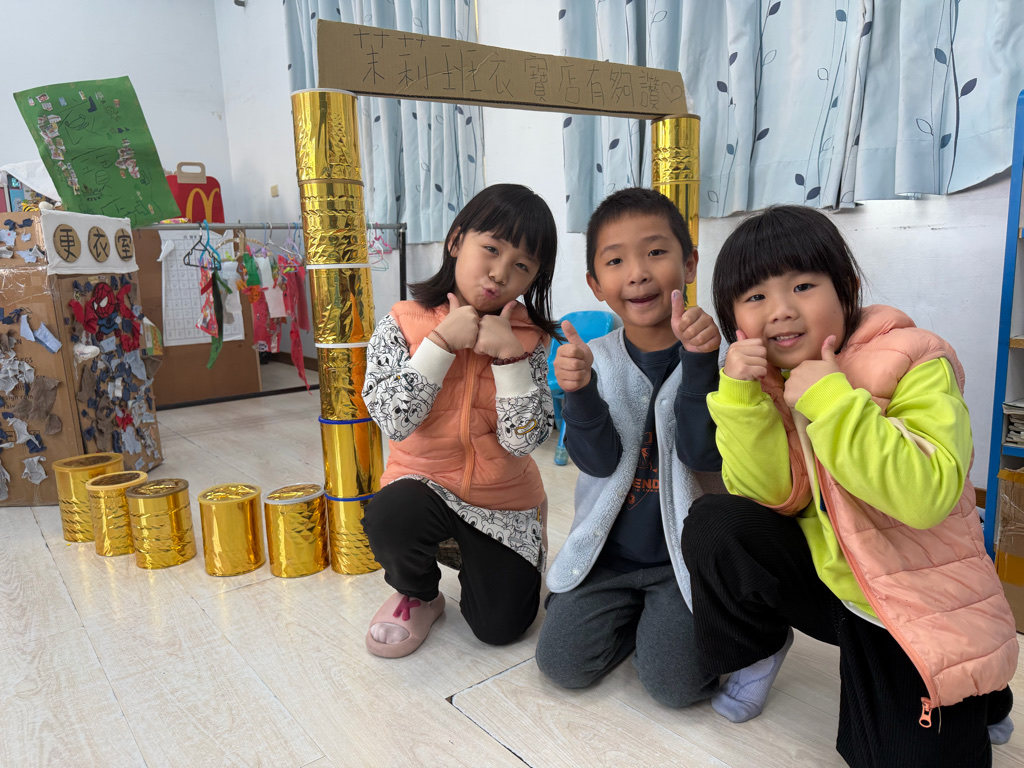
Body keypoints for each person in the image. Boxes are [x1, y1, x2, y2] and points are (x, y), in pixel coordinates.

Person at [682, 205, 1018, 766]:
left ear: (846, 288)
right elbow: (768, 497)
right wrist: (740, 398)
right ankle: (760, 649)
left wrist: (834, 401)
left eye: (803, 286)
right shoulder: (769, 379)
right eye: (756, 296)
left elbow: (927, 497)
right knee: (716, 523)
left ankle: (981, 695)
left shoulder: (915, 357)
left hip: (910, 599)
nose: (781, 310)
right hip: (834, 578)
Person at [536, 187, 787, 715]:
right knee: (561, 665)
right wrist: (579, 393)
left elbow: (702, 455)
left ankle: (732, 628)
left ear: (689, 263)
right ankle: (637, 619)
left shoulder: (723, 359)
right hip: (608, 556)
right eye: (615, 261)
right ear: (595, 283)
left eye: (655, 252)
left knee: (676, 687)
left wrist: (699, 363)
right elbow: (598, 463)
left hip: (683, 561)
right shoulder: (594, 358)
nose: (637, 274)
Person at [361, 183, 558, 658]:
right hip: (422, 487)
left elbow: (523, 442)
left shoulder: (531, 339)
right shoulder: (401, 321)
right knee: (389, 514)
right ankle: (419, 594)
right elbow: (392, 420)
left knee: (500, 629)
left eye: (522, 266)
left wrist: (510, 359)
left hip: (504, 504)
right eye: (491, 248)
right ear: (456, 241)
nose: (499, 273)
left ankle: (510, 553)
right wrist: (440, 344)